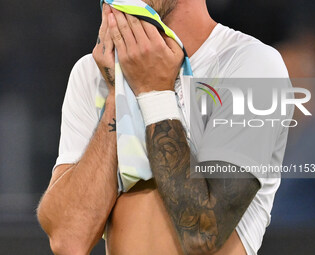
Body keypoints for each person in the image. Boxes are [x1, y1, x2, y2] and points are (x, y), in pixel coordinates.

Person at [37, 1, 292, 254]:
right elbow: (68, 240)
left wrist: (153, 92)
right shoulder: (93, 73)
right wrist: (118, 96)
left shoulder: (252, 66)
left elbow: (203, 233)